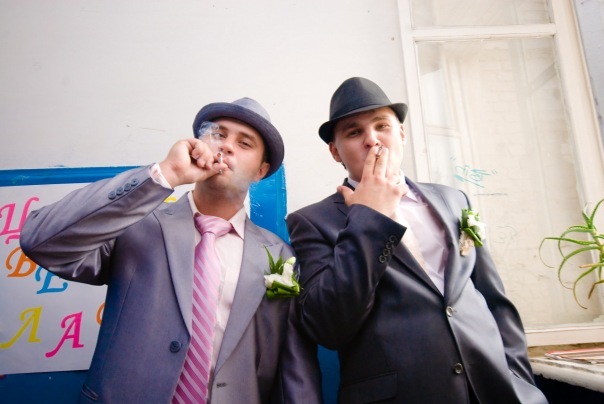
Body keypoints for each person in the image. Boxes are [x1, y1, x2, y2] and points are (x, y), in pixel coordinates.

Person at [20, 97, 321, 403]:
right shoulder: (135, 224)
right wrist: (167, 173)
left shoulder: (280, 257)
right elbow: (41, 242)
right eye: (218, 134)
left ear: (261, 170)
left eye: (244, 143)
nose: (227, 146)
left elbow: (294, 368)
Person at [286, 77, 547, 403]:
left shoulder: (453, 199)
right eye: (354, 132)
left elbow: (494, 299)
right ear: (335, 151)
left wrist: (521, 383)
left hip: (494, 390)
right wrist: (369, 218)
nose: (372, 139)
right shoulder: (312, 221)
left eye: (382, 126)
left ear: (402, 133)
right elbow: (329, 327)